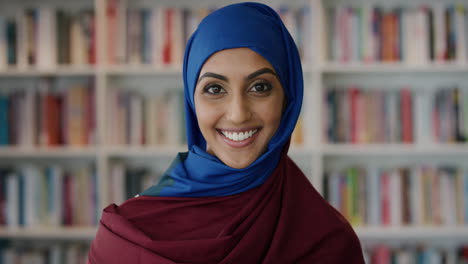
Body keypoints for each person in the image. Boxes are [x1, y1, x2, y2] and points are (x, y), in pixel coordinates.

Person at [88, 2, 365, 263]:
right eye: (215, 89)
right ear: (191, 100)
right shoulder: (126, 236)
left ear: (287, 99)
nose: (237, 114)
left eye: (259, 87)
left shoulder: (328, 242)